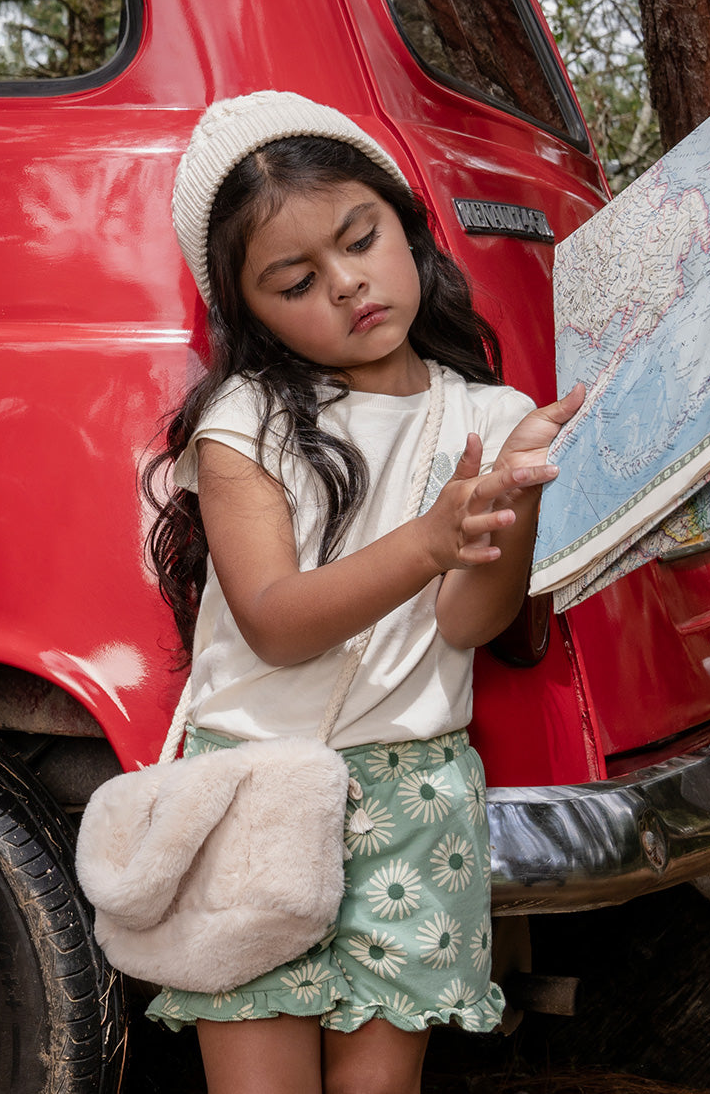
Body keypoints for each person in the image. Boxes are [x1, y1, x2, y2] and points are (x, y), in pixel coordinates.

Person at [142, 90, 583, 1094]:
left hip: (416, 798)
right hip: (258, 790)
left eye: (359, 238)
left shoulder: (491, 412)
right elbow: (276, 621)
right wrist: (431, 537)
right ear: (247, 309)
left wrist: (502, 509)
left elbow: (469, 621)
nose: (345, 285)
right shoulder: (245, 418)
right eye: (294, 280)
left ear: (406, 223)